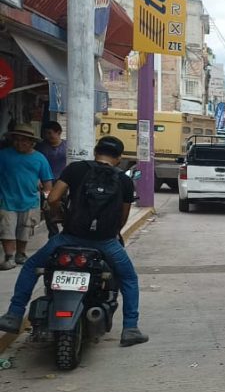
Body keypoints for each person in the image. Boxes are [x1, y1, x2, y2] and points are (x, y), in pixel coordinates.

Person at [0, 136, 149, 346]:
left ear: (96, 151)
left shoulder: (76, 169)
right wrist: (111, 234)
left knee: (31, 266)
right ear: (119, 159)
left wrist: (59, 215)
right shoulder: (124, 180)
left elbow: (52, 198)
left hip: (69, 237)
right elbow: (122, 217)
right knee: (129, 279)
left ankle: (14, 315)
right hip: (105, 242)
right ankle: (130, 328)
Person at [0, 123, 54, 269]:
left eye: (24, 140)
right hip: (6, 200)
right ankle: (9, 256)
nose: (19, 143)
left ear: (32, 142)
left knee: (25, 229)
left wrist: (48, 199)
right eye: (16, 140)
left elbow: (47, 181)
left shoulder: (39, 158)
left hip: (30, 201)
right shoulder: (4, 155)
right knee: (7, 229)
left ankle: (21, 253)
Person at [36, 121, 68, 237]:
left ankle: (67, 231)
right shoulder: (40, 147)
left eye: (50, 133)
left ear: (58, 133)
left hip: (63, 183)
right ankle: (53, 234)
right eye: (45, 133)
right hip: (46, 183)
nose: (47, 136)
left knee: (65, 206)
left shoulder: (67, 146)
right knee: (48, 207)